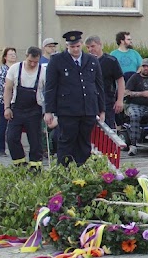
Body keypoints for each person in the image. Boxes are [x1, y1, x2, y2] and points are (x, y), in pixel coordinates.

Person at [43, 31, 105, 166]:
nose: (75, 49)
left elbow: (99, 87)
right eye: (72, 47)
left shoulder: (92, 60)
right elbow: (50, 87)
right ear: (67, 46)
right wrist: (48, 110)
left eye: (77, 46)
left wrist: (102, 109)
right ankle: (64, 171)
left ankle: (82, 171)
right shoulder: (57, 61)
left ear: (81, 44)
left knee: (84, 143)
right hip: (67, 110)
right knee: (66, 142)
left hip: (88, 109)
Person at [3, 47, 45, 167]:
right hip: (17, 109)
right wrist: (7, 107)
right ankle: (19, 163)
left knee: (35, 141)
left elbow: (49, 91)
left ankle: (35, 166)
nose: (32, 64)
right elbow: (8, 89)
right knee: (11, 138)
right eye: (30, 61)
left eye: (35, 62)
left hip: (34, 110)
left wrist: (49, 111)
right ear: (26, 56)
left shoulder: (43, 71)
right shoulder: (15, 68)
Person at [85, 35, 125, 130]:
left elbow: (120, 80)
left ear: (100, 45)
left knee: (107, 130)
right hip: (89, 102)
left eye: (93, 46)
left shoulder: (111, 61)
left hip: (107, 101)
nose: (90, 49)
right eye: (88, 47)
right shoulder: (85, 61)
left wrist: (120, 100)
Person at [124, 59, 148, 151]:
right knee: (135, 115)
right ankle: (133, 144)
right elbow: (126, 92)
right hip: (136, 104)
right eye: (143, 66)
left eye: (147, 66)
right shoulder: (135, 78)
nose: (145, 68)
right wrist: (142, 94)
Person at [0, 47, 17, 157]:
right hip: (4, 100)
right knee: (3, 124)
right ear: (5, 57)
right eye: (10, 54)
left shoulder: (18, 68)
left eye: (14, 54)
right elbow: (0, 84)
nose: (13, 56)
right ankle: (1, 148)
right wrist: (10, 87)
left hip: (16, 100)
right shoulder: (3, 69)